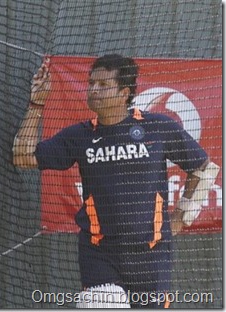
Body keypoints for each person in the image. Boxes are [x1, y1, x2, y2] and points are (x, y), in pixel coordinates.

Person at [12, 54, 219, 308]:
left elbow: (204, 168)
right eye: (91, 83)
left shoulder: (158, 127)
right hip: (100, 254)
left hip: (151, 255)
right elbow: (23, 156)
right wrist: (36, 104)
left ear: (124, 92)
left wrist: (182, 217)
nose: (93, 90)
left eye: (103, 85)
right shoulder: (80, 135)